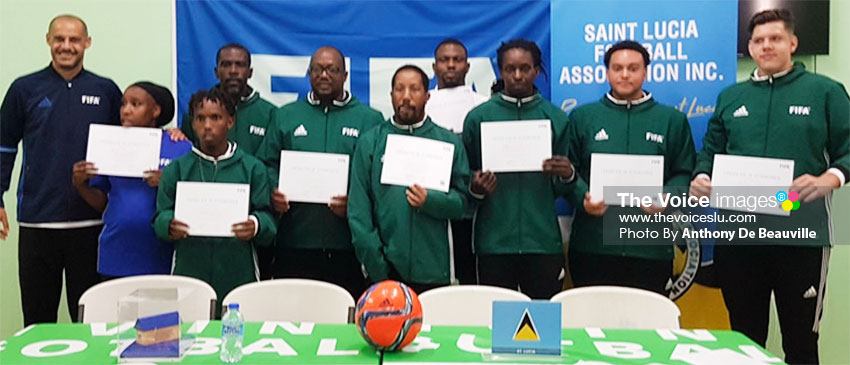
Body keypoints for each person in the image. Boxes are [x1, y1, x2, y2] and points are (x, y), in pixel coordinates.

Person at [690, 9, 848, 364]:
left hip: (801, 235)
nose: (766, 46)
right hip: (740, 238)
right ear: (749, 47)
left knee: (801, 340)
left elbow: (848, 149)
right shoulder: (731, 97)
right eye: (759, 41)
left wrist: (830, 178)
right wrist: (701, 176)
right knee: (744, 341)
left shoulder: (825, 92)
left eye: (775, 39)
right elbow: (710, 152)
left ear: (792, 43)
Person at [0, 14, 122, 325]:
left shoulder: (106, 90)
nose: (66, 46)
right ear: (48, 40)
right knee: (38, 323)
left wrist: (170, 136)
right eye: (59, 39)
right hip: (38, 224)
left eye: (74, 40)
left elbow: (133, 139)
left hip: (93, 225)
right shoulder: (24, 89)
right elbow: (4, 146)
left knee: (94, 323)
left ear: (87, 43)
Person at [564, 40, 696, 295]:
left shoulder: (672, 120)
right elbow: (568, 172)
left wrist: (666, 197)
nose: (625, 74)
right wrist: (583, 198)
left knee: (648, 331)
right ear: (607, 72)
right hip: (594, 245)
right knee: (592, 326)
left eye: (633, 68)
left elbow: (685, 173)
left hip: (649, 248)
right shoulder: (583, 117)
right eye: (617, 68)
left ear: (646, 72)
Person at [256, 46, 383, 298]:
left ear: (345, 75)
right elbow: (265, 165)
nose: (324, 75)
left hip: (348, 244)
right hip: (294, 239)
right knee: (292, 316)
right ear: (309, 73)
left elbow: (376, 179)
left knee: (343, 319)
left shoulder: (370, 119)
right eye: (318, 69)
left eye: (332, 70)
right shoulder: (285, 116)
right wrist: (273, 192)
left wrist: (355, 204)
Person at [461, 39, 573, 299]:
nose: (518, 75)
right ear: (500, 71)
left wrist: (566, 175)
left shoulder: (555, 118)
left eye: (525, 68)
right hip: (493, 244)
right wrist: (475, 186)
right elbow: (462, 177)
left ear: (536, 71)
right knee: (496, 330)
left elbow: (565, 187)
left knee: (542, 328)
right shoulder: (478, 118)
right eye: (510, 69)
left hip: (542, 242)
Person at [348, 65, 470, 294]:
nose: (406, 97)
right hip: (384, 273)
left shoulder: (448, 141)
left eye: (414, 89)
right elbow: (359, 213)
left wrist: (430, 201)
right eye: (399, 89)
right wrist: (378, 269)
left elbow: (463, 203)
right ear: (391, 95)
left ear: (427, 96)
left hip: (436, 271)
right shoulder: (371, 142)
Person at [153, 88, 276, 305]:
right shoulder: (178, 169)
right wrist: (168, 224)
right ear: (192, 124)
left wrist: (255, 225)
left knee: (238, 331)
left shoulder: (251, 168)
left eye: (215, 118)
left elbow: (268, 218)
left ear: (230, 122)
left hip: (239, 270)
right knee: (190, 332)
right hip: (189, 268)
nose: (207, 125)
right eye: (200, 119)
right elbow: (160, 215)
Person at [72, 82, 192, 279]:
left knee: (160, 310)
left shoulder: (179, 146)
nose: (126, 111)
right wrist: (80, 184)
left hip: (161, 255)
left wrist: (167, 183)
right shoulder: (109, 144)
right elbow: (101, 201)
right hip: (117, 253)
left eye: (135, 104)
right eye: (123, 104)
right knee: (116, 310)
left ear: (155, 111)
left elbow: (193, 201)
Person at [180, 43, 276, 279]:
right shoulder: (196, 110)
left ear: (250, 71)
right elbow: (187, 157)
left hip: (246, 231)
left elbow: (271, 166)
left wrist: (257, 219)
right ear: (216, 71)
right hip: (199, 232)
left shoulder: (270, 113)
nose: (233, 71)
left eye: (240, 65)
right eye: (226, 65)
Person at [425, 38, 488, 285]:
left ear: (468, 66)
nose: (451, 65)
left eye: (457, 60)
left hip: (474, 213)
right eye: (444, 60)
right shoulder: (421, 105)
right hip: (430, 209)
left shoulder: (483, 106)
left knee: (470, 280)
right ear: (434, 66)